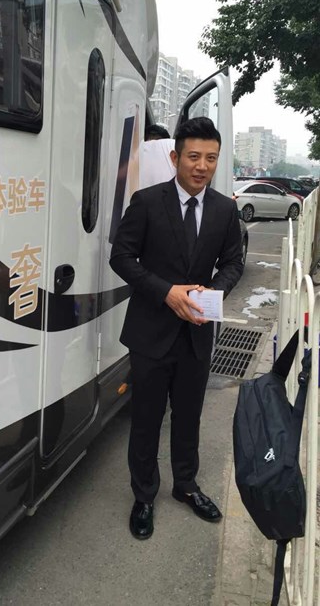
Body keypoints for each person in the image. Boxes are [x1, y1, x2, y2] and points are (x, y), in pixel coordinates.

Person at [110, 117, 243, 540]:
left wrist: (213, 292)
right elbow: (121, 257)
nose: (202, 166)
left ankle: (186, 485)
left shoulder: (224, 209)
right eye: (194, 157)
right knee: (146, 420)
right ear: (175, 157)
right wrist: (166, 292)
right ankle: (144, 495)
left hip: (196, 334)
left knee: (188, 417)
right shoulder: (147, 202)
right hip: (150, 333)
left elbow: (233, 262)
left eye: (211, 158)